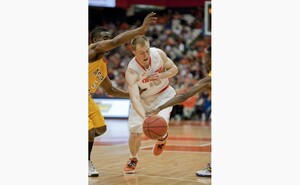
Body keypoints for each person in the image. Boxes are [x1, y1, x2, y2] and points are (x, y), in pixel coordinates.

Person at [88, 12, 157, 177]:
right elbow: (116, 41)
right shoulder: (91, 50)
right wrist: (141, 29)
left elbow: (111, 90)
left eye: (108, 36)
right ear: (95, 41)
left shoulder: (102, 66)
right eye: (104, 38)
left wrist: (134, 94)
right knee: (88, 132)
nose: (108, 40)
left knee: (100, 129)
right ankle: (85, 163)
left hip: (87, 98)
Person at [147, 46, 212, 177]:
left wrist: (160, 107)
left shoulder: (209, 79)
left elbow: (184, 96)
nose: (203, 61)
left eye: (205, 58)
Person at [123, 35, 178, 174]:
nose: (146, 54)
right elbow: (134, 98)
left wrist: (162, 75)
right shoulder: (132, 72)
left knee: (160, 124)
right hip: (142, 100)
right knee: (135, 133)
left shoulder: (158, 54)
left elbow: (174, 69)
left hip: (163, 95)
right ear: (134, 52)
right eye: (142, 52)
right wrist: (144, 116)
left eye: (147, 50)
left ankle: (162, 137)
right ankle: (133, 159)